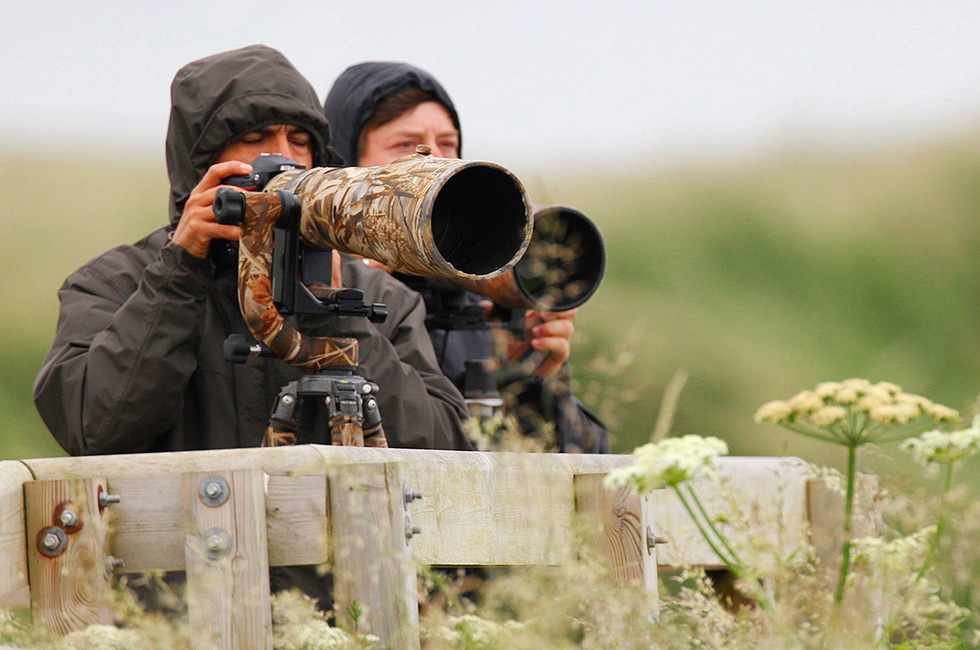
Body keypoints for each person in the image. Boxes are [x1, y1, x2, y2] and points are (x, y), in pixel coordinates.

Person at [33, 45, 474, 456]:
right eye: (257, 137)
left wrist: (337, 313)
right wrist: (180, 274)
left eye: (299, 142)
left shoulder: (379, 295)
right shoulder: (117, 283)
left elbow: (446, 450)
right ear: (201, 161)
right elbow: (96, 430)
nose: (284, 159)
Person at [323, 62, 609, 453]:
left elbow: (569, 472)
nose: (435, 160)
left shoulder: (484, 298)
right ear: (345, 168)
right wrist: (360, 288)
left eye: (448, 144)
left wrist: (534, 379)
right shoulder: (319, 289)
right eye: (407, 146)